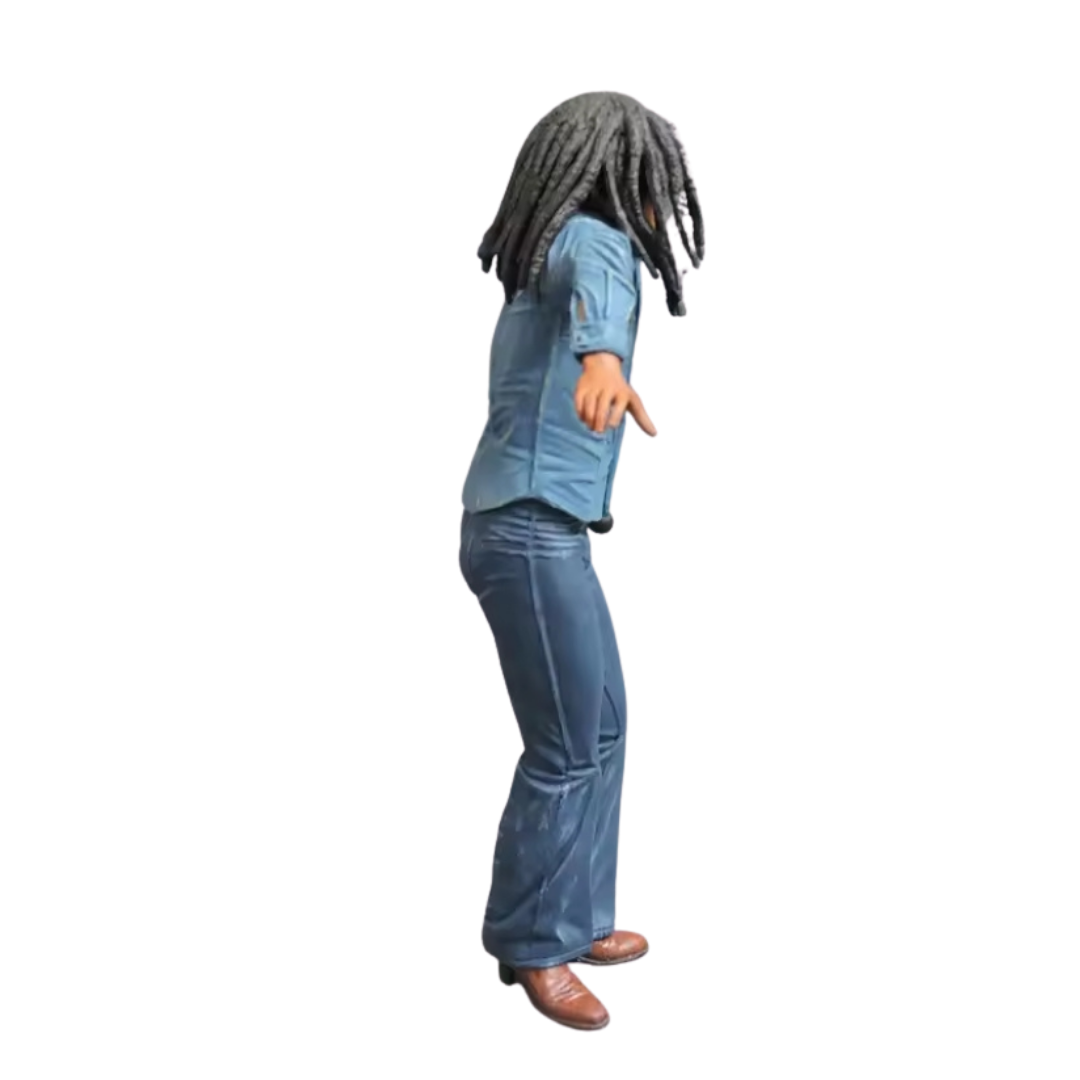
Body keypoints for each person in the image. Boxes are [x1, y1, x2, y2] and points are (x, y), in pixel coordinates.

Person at [458, 91, 705, 1030]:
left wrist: (600, 357)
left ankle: (578, 915)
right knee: (567, 745)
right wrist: (603, 358)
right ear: (615, 172)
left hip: (535, 530)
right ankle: (531, 942)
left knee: (603, 726)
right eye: (651, 178)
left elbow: (579, 291)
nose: (661, 200)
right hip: (528, 531)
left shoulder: (546, 252)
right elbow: (596, 298)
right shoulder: (592, 242)